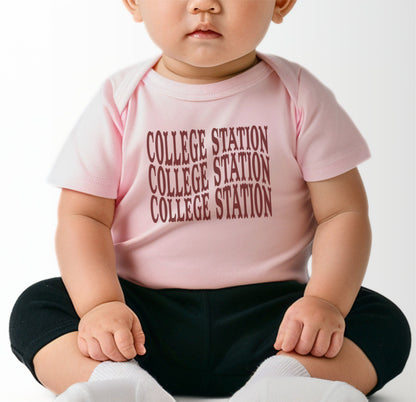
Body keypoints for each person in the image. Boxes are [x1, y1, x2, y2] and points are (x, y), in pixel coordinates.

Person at [9, 1, 411, 401]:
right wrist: (101, 304)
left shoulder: (300, 96)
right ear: (134, 2)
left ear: (281, 2)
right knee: (37, 307)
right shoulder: (119, 100)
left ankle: (288, 383)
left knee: (382, 322)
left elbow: (342, 212)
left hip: (275, 323)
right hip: (140, 323)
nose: (205, 4)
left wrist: (324, 301)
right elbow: (83, 216)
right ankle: (116, 384)